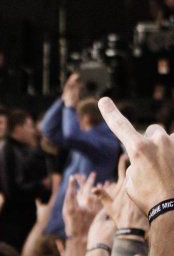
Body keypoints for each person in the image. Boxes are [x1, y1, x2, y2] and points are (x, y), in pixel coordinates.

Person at [39, 73, 121, 237]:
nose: (71, 121)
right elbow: (47, 129)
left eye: (74, 118)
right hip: (66, 220)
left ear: (86, 118)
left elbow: (71, 135)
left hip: (85, 225)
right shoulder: (84, 140)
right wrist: (63, 98)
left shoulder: (107, 143)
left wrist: (69, 106)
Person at [0, 108, 49, 252]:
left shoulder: (17, 149)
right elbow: (11, 189)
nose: (33, 130)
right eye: (29, 126)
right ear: (18, 128)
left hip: (20, 217)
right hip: (13, 221)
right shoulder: (7, 151)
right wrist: (42, 185)